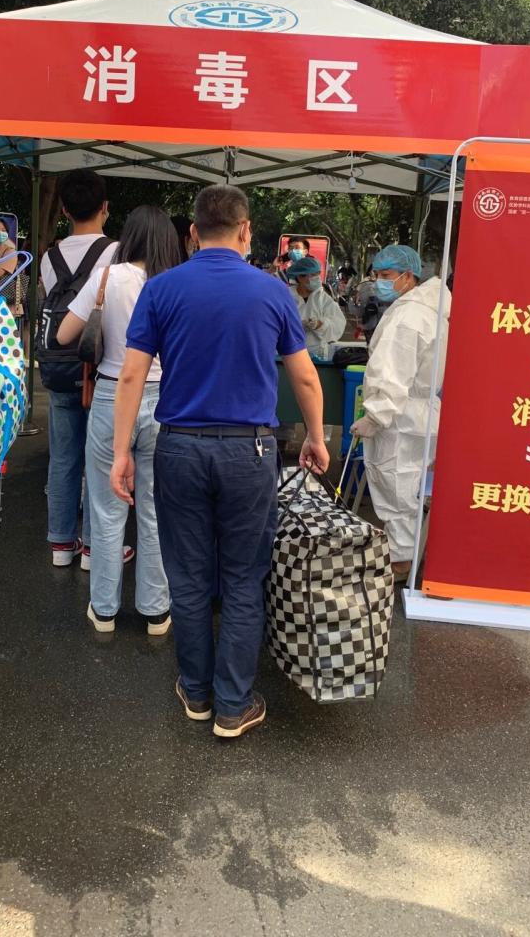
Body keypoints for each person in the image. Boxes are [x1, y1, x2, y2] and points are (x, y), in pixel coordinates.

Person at [111, 185, 329, 739]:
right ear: (246, 230)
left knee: (187, 576)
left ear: (192, 233)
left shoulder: (161, 289)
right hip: (249, 451)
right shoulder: (272, 291)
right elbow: (304, 377)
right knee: (242, 577)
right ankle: (233, 705)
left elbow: (132, 375)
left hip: (179, 447)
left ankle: (196, 691)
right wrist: (316, 437)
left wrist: (119, 452)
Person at [57, 206, 181, 635]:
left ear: (129, 236)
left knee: (107, 507)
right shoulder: (175, 284)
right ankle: (156, 611)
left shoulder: (108, 276)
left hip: (112, 394)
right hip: (165, 398)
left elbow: (64, 334)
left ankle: (104, 610)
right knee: (155, 508)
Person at [351, 245, 451, 578]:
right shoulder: (430, 310)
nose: (379, 282)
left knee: (397, 486)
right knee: (409, 487)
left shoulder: (409, 317)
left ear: (408, 276)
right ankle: (408, 553)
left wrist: (375, 416)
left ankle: (402, 560)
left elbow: (394, 370)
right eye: (377, 275)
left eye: (386, 275)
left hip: (401, 415)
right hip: (421, 411)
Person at [41, 170, 118, 569]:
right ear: (105, 207)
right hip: (98, 369)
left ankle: (60, 543)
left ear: (65, 210)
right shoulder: (116, 253)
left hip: (58, 367)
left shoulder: (47, 258)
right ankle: (91, 548)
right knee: (98, 460)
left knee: (63, 457)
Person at [287, 255, 346, 358]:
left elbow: (338, 323)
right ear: (300, 277)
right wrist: (294, 325)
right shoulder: (287, 296)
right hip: (289, 352)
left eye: (318, 274)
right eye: (313, 275)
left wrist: (320, 324)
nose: (317, 278)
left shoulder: (323, 298)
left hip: (317, 354)